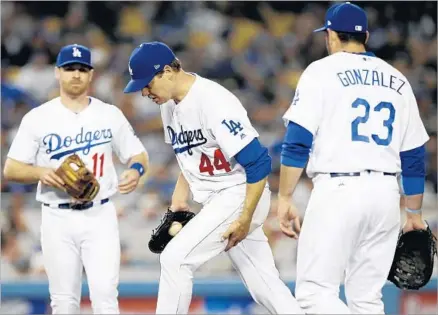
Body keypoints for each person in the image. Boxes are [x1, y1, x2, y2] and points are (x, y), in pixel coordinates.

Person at [124, 41, 303, 314]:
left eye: (147, 84)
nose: (145, 92)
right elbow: (189, 154)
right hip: (219, 200)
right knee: (264, 285)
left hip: (238, 195)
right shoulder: (168, 105)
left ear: (169, 72)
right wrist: (179, 197)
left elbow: (258, 162)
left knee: (175, 260)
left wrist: (244, 218)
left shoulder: (213, 101)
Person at [276, 2, 429, 314]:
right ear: (366, 36)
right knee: (367, 300)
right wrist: (413, 212)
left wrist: (285, 195)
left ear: (330, 35)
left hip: (339, 190)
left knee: (315, 294)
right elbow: (414, 156)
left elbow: (297, 141)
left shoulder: (320, 71)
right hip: (386, 197)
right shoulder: (397, 80)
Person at [3, 44, 149, 314]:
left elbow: (138, 154)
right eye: (70, 68)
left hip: (100, 213)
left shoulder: (109, 114)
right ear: (58, 73)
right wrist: (41, 172)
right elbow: (11, 169)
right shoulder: (38, 118)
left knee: (105, 297)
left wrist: (135, 170)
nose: (76, 74)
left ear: (91, 75)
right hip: (57, 216)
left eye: (83, 69)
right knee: (63, 300)